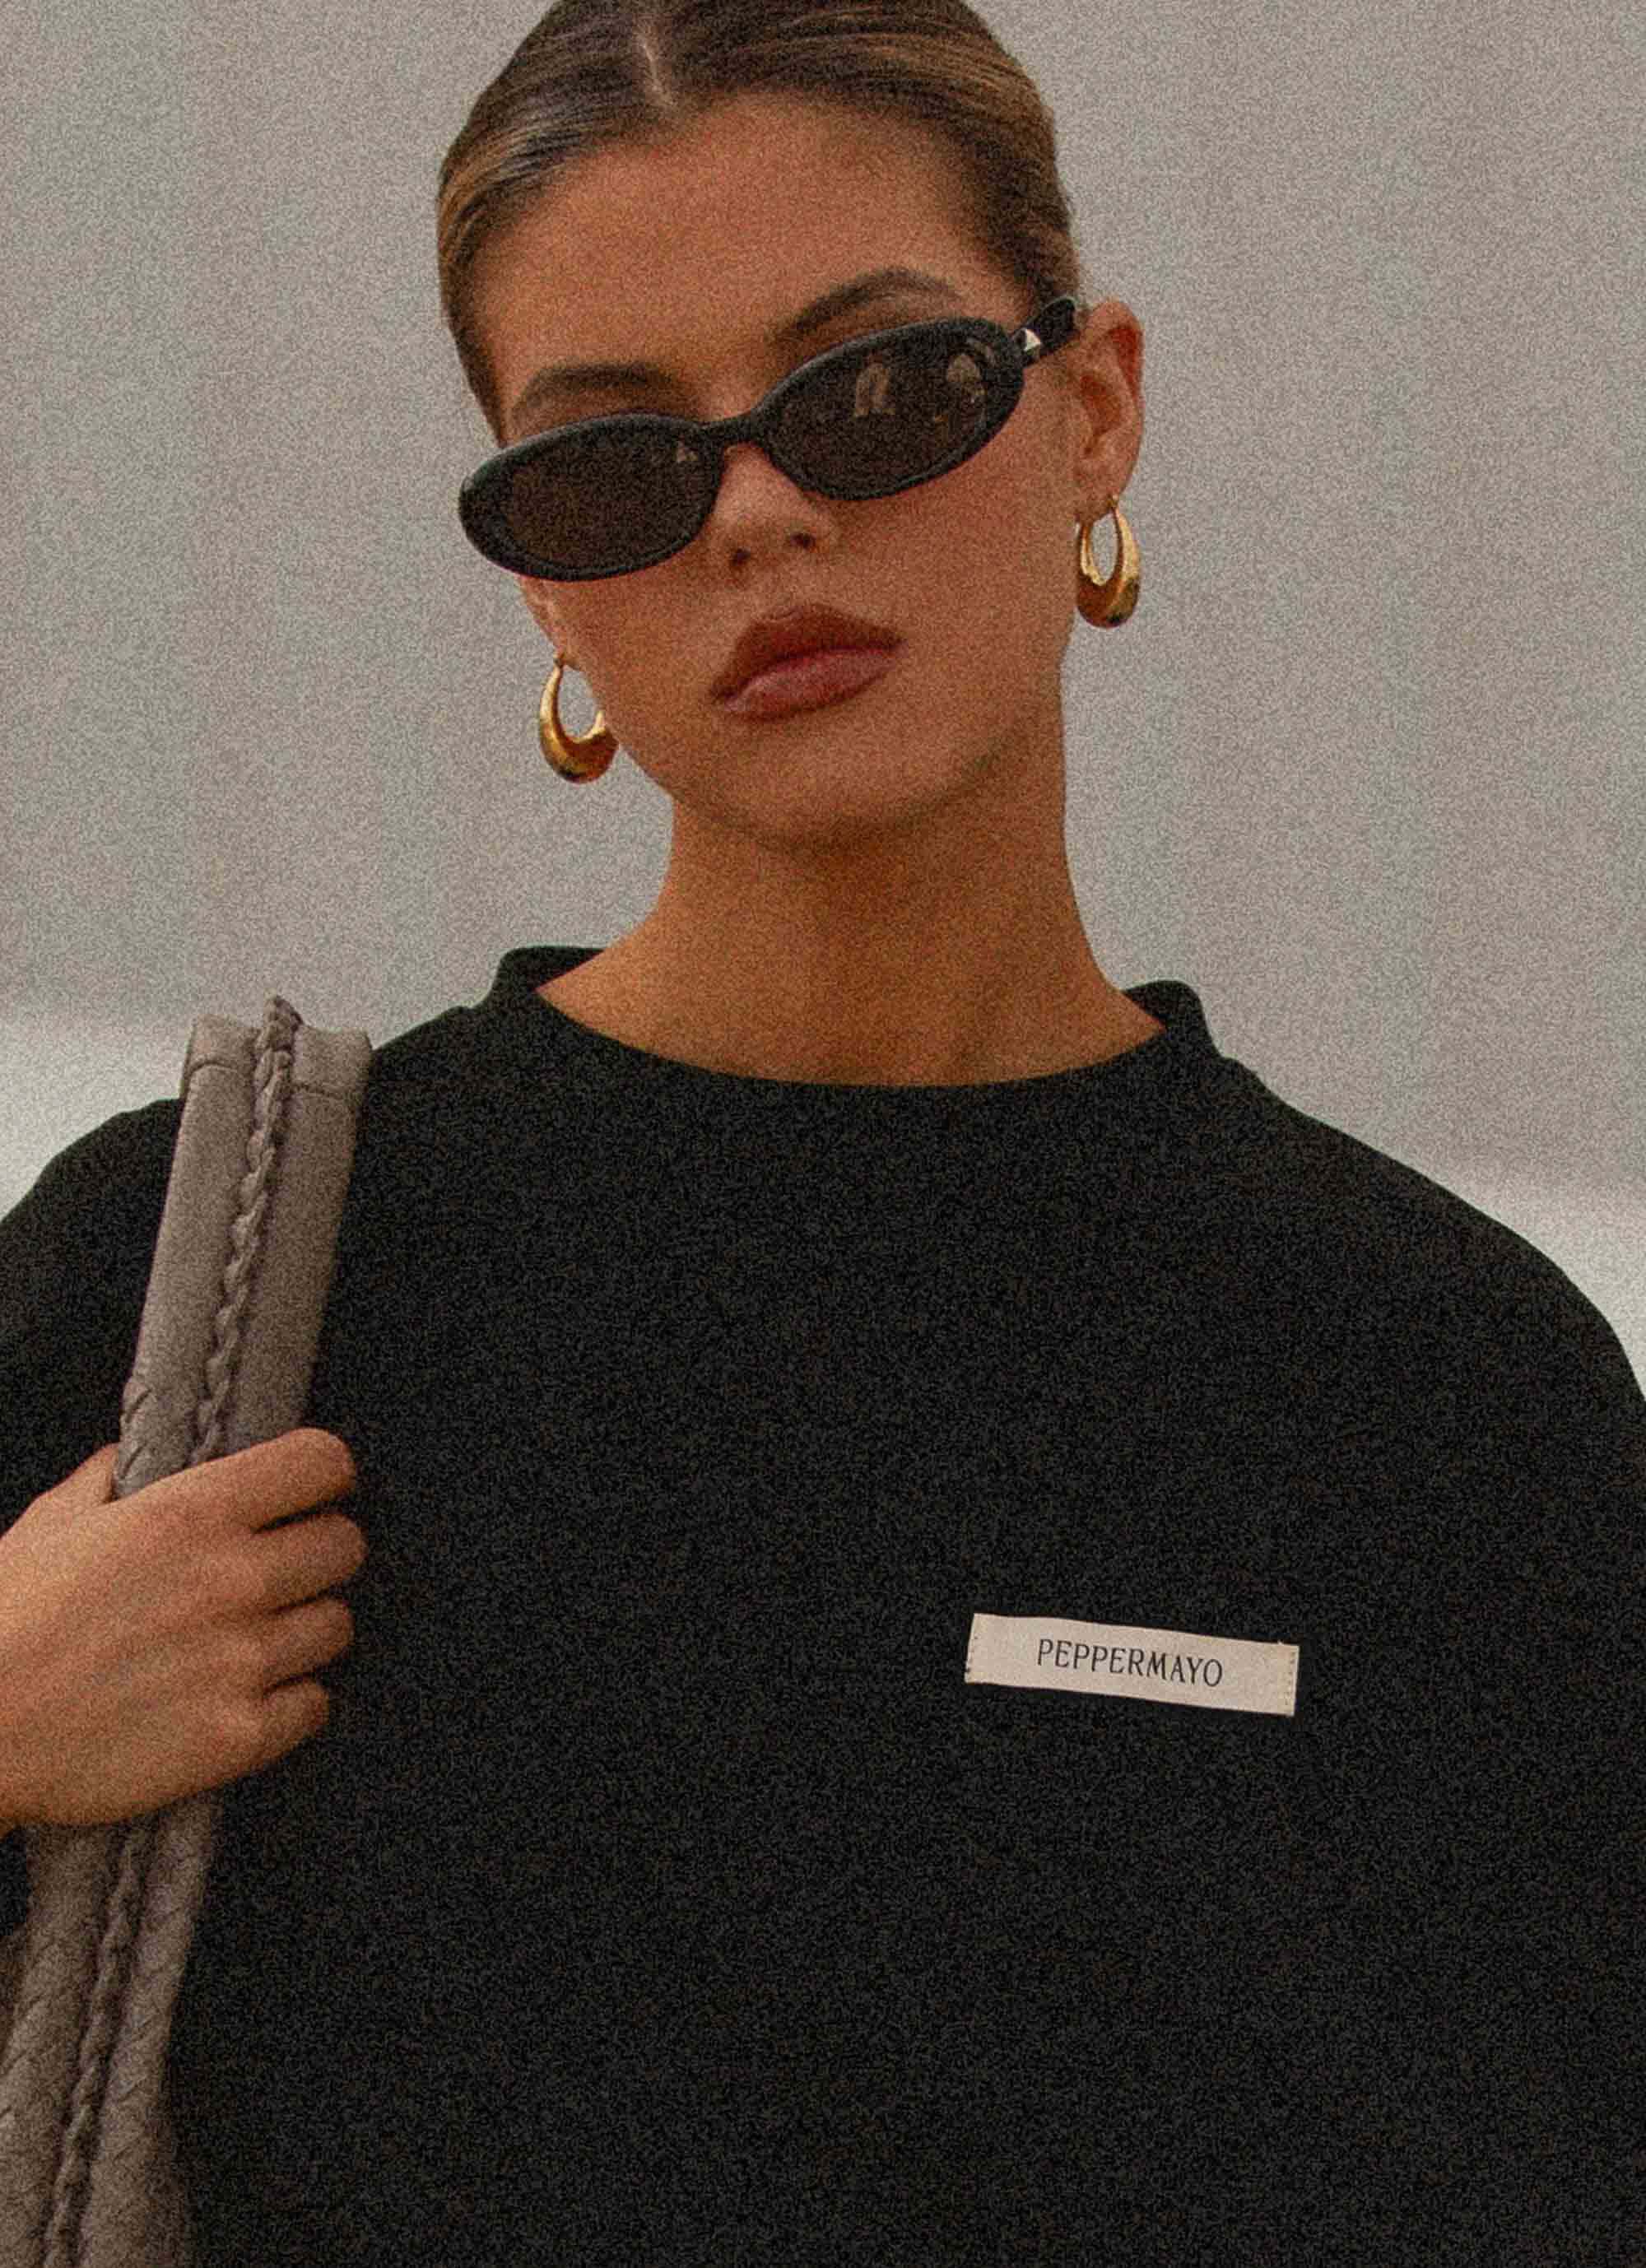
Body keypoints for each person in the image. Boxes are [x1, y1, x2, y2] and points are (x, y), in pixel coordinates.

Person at [1, 2, 1639, 2261]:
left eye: (877, 392)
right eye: (613, 465)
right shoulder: (209, 1286)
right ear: (543, 579)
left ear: (1094, 410)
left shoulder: (1439, 1383)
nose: (760, 512)